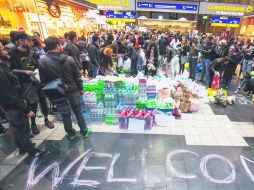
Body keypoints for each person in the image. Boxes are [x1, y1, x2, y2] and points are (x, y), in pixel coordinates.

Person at [0, 42, 48, 157]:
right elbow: (9, 94)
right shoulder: (1, 71)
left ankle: (22, 146)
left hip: (9, 106)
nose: (6, 51)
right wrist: (26, 110)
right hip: (14, 106)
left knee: (15, 126)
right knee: (23, 128)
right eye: (3, 49)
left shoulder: (4, 66)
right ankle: (31, 150)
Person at [38, 37, 92, 139]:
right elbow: (77, 77)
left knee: (65, 114)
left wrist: (50, 96)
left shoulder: (42, 62)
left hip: (57, 92)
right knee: (78, 112)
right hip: (73, 90)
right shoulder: (69, 59)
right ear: (58, 46)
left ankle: (71, 134)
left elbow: (43, 81)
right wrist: (81, 88)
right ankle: (84, 132)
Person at [8, 32, 54, 135]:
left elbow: (38, 65)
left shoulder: (33, 52)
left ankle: (46, 119)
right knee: (32, 103)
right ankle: (33, 124)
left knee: (43, 100)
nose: (31, 42)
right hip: (25, 83)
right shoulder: (12, 53)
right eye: (28, 40)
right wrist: (24, 71)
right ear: (20, 40)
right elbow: (10, 70)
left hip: (37, 80)